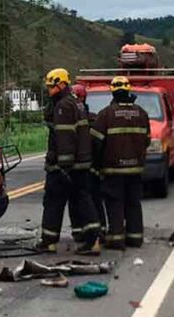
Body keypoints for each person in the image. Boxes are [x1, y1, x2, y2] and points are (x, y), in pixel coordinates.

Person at [38, 68, 101, 255]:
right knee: (81, 200)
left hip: (65, 166)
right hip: (79, 164)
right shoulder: (74, 103)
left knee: (54, 201)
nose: (49, 90)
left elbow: (64, 138)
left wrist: (64, 167)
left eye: (52, 87)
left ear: (62, 85)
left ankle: (50, 241)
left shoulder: (64, 106)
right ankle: (90, 240)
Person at [91, 76, 150, 250]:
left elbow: (96, 142)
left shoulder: (105, 114)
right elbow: (147, 141)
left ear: (113, 92)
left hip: (113, 169)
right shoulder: (142, 114)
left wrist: (97, 164)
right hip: (135, 169)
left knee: (114, 203)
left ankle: (116, 238)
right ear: (128, 90)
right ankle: (135, 237)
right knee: (133, 203)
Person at [68, 84, 107, 242]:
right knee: (94, 199)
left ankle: (80, 232)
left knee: (77, 199)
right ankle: (100, 230)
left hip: (79, 167)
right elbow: (101, 144)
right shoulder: (93, 118)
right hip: (93, 167)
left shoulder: (75, 118)